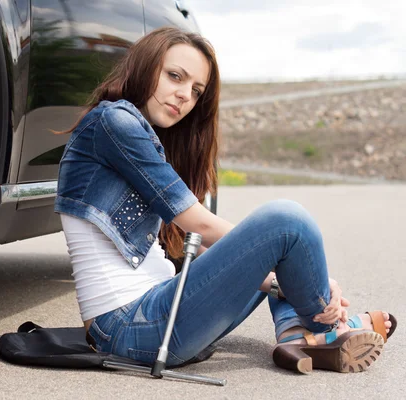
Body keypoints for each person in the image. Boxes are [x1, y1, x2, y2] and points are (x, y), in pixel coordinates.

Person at [53, 27, 396, 373]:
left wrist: (295, 280)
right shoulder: (114, 122)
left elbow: (197, 244)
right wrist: (317, 289)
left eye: (196, 90)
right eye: (175, 76)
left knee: (277, 248)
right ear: (144, 66)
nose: (185, 95)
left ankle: (294, 332)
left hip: (161, 311)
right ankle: (328, 328)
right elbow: (197, 224)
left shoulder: (135, 131)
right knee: (287, 222)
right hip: (132, 327)